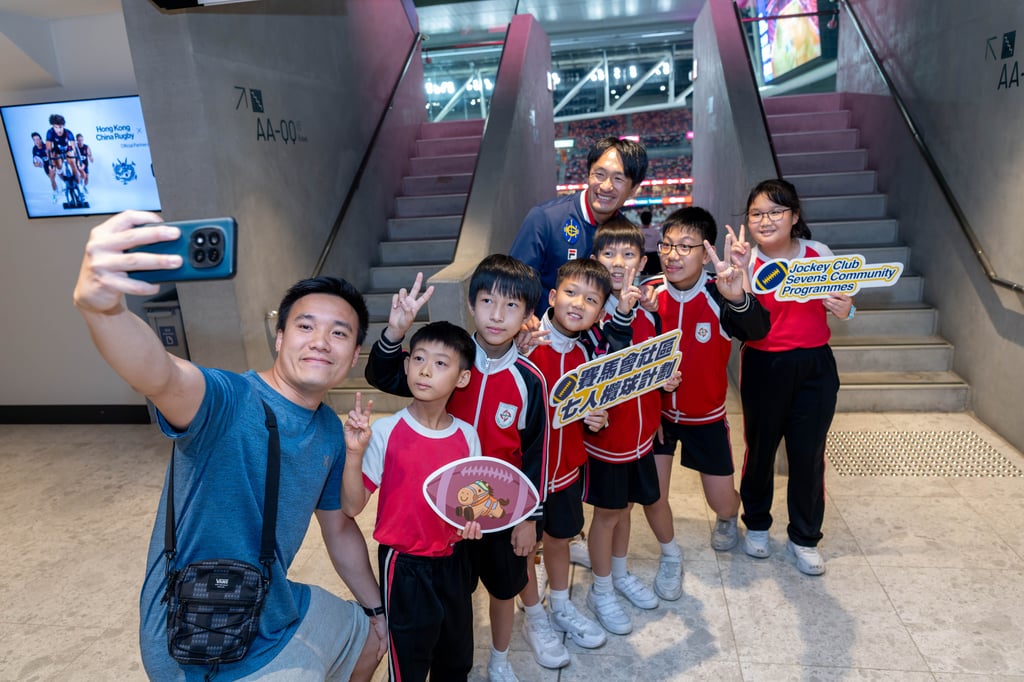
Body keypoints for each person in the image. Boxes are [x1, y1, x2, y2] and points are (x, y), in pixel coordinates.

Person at [72, 211, 386, 681]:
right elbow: (160, 372)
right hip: (198, 630)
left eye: (339, 332)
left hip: (272, 604)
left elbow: (339, 529)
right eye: (305, 326)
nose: (321, 341)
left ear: (354, 354)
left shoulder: (327, 429)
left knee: (368, 642)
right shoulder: (228, 400)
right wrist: (104, 311)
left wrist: (377, 611)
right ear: (279, 338)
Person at [363, 259, 562, 678]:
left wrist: (530, 518)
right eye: (487, 301)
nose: (496, 314)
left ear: (528, 316)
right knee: (457, 592)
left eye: (511, 306)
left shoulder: (530, 379)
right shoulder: (447, 361)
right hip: (444, 512)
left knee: (507, 584)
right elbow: (382, 373)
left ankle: (502, 659)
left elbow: (537, 453)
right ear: (471, 304)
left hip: (503, 510)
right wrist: (395, 332)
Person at [342, 321, 483, 681]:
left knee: (455, 658)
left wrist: (473, 523)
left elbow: (471, 502)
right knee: (409, 661)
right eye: (418, 358)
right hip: (404, 567)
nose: (424, 369)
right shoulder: (387, 432)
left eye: (440, 363)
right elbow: (352, 507)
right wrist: (354, 454)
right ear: (405, 367)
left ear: (462, 378)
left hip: (453, 562)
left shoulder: (467, 436)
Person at [646, 207, 771, 595]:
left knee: (724, 504)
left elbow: (757, 329)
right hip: (658, 418)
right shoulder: (649, 293)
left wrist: (739, 295)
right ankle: (670, 555)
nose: (673, 254)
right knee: (652, 495)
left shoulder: (721, 292)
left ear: (706, 252)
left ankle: (728, 519)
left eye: (686, 246)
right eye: (667, 244)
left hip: (707, 418)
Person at [736, 178, 854, 576]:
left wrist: (845, 310)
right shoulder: (744, 260)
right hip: (764, 366)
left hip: (815, 366)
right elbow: (740, 320)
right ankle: (756, 524)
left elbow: (844, 306)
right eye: (757, 214)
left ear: (795, 216)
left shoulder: (817, 254)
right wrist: (736, 280)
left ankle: (805, 537)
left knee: (808, 454)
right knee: (761, 450)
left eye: (775, 212)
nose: (765, 220)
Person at [522, 258, 637, 654]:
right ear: (552, 297)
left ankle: (560, 604)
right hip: (525, 477)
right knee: (524, 547)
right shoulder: (526, 343)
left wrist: (596, 418)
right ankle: (534, 615)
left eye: (590, 299)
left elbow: (594, 414)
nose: (578, 304)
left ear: (600, 312)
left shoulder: (589, 355)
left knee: (559, 538)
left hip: (567, 470)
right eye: (570, 293)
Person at [583, 218, 682, 635]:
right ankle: (600, 588)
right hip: (606, 441)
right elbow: (608, 360)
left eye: (628, 254)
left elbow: (650, 368)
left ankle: (619, 574)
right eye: (609, 254)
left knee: (625, 511)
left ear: (643, 262)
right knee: (606, 515)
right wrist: (621, 310)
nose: (619, 263)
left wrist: (663, 391)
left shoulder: (651, 314)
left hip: (641, 437)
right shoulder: (589, 316)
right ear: (595, 260)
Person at [509, 136, 649, 315]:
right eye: (599, 174)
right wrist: (524, 318)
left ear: (634, 188)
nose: (606, 186)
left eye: (618, 179)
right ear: (588, 174)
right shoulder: (545, 218)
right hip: (541, 336)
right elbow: (513, 282)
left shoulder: (626, 234)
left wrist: (645, 293)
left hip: (595, 339)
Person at [45, 113, 82, 184]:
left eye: (60, 127)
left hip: (67, 150)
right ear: (53, 126)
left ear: (63, 126)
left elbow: (75, 148)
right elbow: (48, 149)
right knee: (58, 167)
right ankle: (65, 181)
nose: (58, 130)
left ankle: (78, 184)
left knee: (74, 164)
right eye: (55, 127)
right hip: (57, 151)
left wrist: (79, 160)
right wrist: (50, 163)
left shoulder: (68, 132)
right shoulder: (50, 133)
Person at [638, 209, 662, 276]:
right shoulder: (655, 232)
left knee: (643, 276)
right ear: (650, 219)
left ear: (641, 219)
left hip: (642, 256)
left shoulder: (638, 232)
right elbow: (659, 244)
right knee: (655, 276)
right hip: (654, 257)